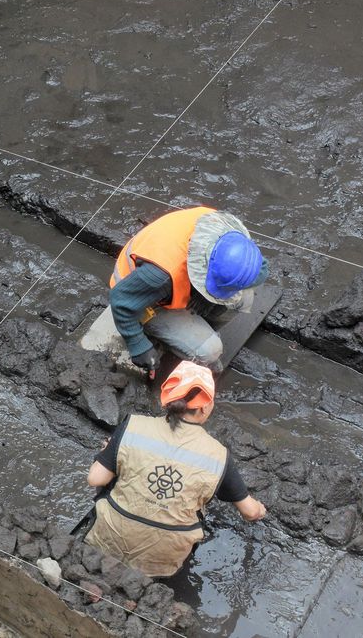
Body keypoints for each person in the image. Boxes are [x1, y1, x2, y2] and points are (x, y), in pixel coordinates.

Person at [84, 361, 266, 577]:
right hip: (161, 563)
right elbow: (250, 511)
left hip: (107, 542)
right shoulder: (218, 455)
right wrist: (260, 511)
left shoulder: (133, 426)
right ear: (205, 406)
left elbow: (95, 479)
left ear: (167, 400)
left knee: (113, 471)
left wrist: (111, 451)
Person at [109, 206, 267, 377]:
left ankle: (198, 329)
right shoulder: (161, 275)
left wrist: (205, 295)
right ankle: (165, 337)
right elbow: (120, 298)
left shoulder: (228, 232)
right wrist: (137, 344)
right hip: (144, 296)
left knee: (244, 296)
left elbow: (261, 269)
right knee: (210, 351)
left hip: (174, 282)